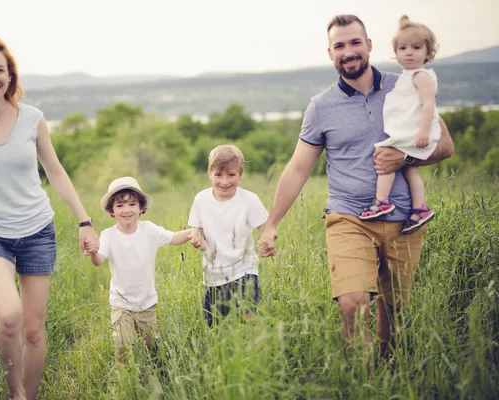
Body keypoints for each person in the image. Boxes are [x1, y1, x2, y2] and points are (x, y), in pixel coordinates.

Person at [258, 15, 453, 359]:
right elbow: (298, 168)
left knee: (394, 313)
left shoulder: (406, 85)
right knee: (352, 304)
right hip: (348, 218)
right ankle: (359, 383)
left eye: (354, 43)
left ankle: (386, 377)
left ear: (369, 45)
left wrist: (403, 161)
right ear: (330, 53)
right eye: (340, 46)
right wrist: (272, 223)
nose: (348, 52)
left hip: (405, 220)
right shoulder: (321, 107)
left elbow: (445, 145)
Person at [0, 37, 98, 400]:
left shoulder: (32, 118)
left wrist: (84, 220)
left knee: (32, 330)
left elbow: (56, 172)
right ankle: (16, 394)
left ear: (10, 75)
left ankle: (30, 395)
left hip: (37, 233)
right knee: (9, 317)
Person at [85, 177, 192, 362]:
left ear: (141, 207)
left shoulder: (149, 230)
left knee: (150, 347)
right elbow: (98, 261)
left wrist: (193, 232)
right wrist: (93, 251)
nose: (126, 210)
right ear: (112, 211)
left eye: (132, 204)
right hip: (121, 302)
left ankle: (152, 372)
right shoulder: (108, 236)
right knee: (122, 345)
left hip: (147, 303)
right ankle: (126, 381)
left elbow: (174, 237)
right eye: (119, 206)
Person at [359, 15, 440, 234]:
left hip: (414, 133)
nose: (409, 52)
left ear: (428, 52)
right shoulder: (408, 76)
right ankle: (420, 208)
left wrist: (423, 131)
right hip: (411, 132)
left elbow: (429, 103)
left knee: (385, 157)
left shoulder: (421, 76)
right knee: (410, 171)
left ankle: (382, 201)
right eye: (403, 48)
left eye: (416, 47)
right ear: (396, 53)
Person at [188, 144, 269, 327]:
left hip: (244, 268)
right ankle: (217, 355)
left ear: (241, 175)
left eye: (231, 175)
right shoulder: (201, 200)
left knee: (249, 316)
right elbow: (196, 229)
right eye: (218, 175)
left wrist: (267, 239)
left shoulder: (249, 200)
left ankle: (262, 350)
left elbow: (266, 227)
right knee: (214, 326)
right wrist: (197, 237)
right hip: (214, 274)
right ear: (209, 174)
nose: (224, 181)